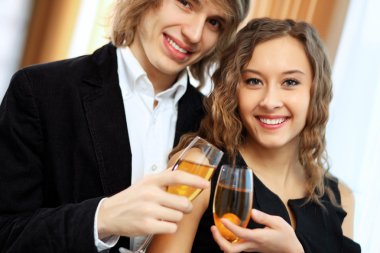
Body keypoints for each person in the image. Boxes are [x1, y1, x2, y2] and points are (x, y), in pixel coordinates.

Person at [0, 0, 250, 252]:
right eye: (185, 3)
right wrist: (102, 219)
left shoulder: (217, 124)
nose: (194, 34)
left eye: (214, 22)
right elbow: (6, 232)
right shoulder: (40, 90)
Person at [147, 18, 361, 252]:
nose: (270, 102)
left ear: (315, 91)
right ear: (233, 89)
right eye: (253, 81)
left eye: (290, 82)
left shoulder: (342, 198)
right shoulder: (199, 170)